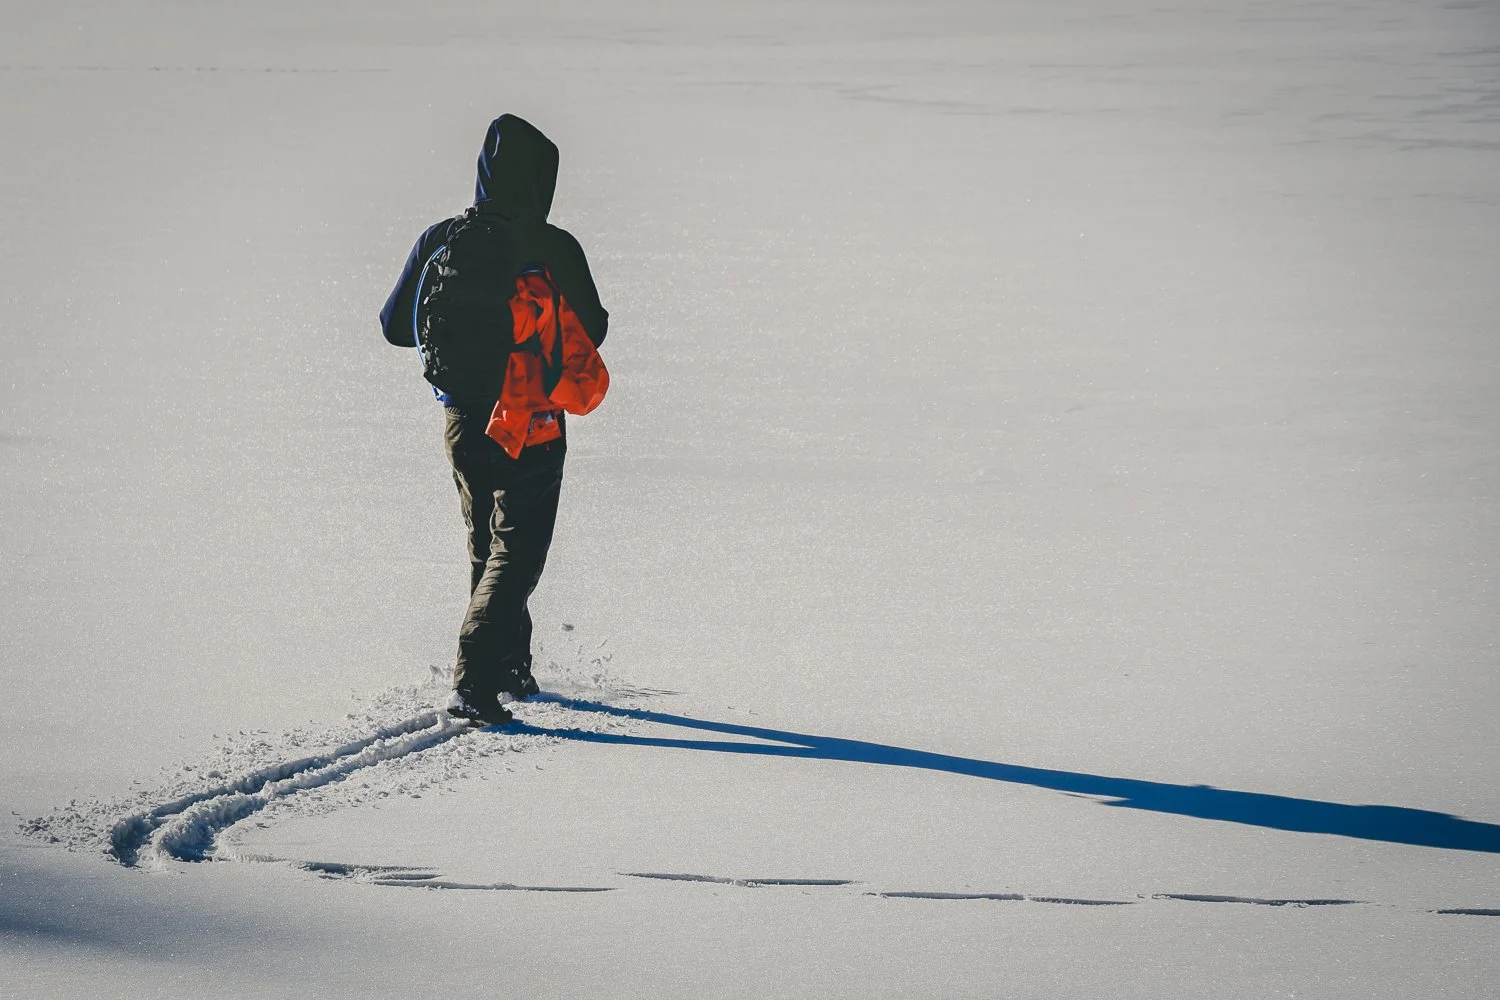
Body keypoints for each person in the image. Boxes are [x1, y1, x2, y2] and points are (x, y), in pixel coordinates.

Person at [379, 114, 608, 725]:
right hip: (530, 416)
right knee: (518, 549)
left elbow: (394, 328)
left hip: (460, 416)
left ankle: (510, 663)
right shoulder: (553, 244)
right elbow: (597, 328)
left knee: (488, 539)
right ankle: (475, 678)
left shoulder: (442, 237)